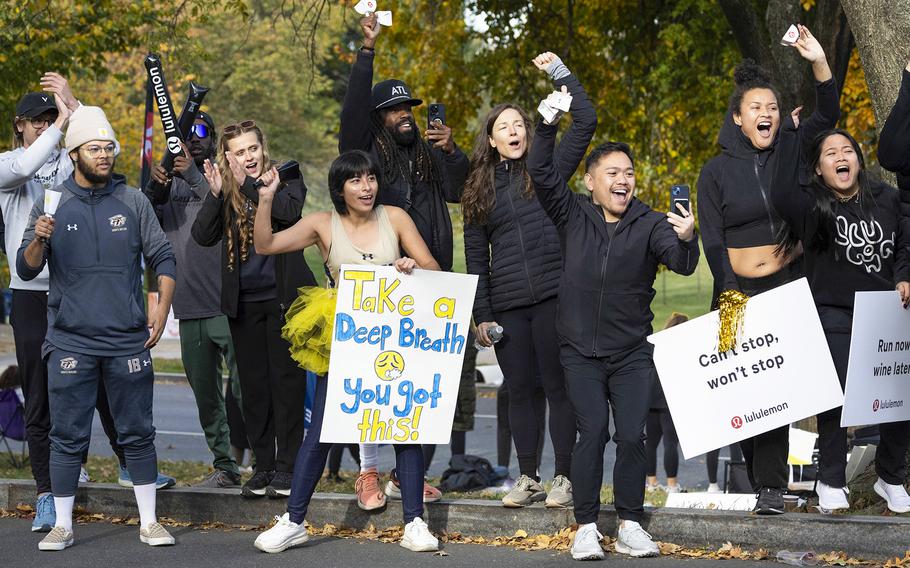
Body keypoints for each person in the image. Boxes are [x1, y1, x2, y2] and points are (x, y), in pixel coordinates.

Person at [528, 85, 699, 558]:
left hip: (630, 352)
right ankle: (585, 525)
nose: (623, 180)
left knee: (630, 434)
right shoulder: (572, 214)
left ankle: (629, 522)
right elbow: (541, 173)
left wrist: (688, 236)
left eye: (629, 173)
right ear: (590, 181)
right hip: (579, 349)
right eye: (612, 173)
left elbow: (683, 264)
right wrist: (545, 126)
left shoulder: (650, 223)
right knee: (593, 433)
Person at [249, 150, 442, 554]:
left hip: (394, 339)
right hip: (346, 340)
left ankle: (414, 523)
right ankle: (294, 520)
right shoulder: (323, 223)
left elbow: (435, 271)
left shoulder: (397, 218)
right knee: (319, 433)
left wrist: (412, 268)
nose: (366, 187)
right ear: (340, 188)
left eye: (370, 178)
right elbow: (265, 245)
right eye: (356, 180)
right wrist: (266, 198)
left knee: (405, 430)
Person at [18, 104, 178, 551]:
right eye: (95, 148)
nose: (105, 155)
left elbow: (163, 256)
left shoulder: (133, 201)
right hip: (70, 339)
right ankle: (63, 526)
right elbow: (26, 270)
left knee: (137, 432)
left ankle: (149, 523)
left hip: (127, 339)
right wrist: (39, 240)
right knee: (67, 436)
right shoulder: (51, 201)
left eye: (109, 147)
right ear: (74, 153)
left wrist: (162, 309)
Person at [697, 25, 839, 514]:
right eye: (756, 108)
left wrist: (817, 60)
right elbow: (712, 238)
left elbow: (830, 112)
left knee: (774, 387)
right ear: (738, 118)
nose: (767, 114)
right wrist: (730, 289)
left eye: (773, 108)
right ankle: (761, 480)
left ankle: (772, 488)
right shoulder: (713, 172)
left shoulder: (792, 152)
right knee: (738, 392)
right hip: (734, 291)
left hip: (786, 285)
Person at [339, 12, 469, 508]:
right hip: (386, 279)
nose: (405, 114)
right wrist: (366, 52)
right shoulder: (369, 154)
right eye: (394, 110)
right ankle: (369, 472)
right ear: (379, 119)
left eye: (408, 107)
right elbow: (352, 112)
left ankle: (405, 474)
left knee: (427, 382)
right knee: (378, 379)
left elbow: (461, 191)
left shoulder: (431, 153)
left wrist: (452, 149)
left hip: (432, 278)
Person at [463, 51, 590, 509]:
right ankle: (529, 477)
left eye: (520, 123)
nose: (515, 131)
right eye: (505, 127)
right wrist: (483, 315)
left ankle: (564, 478)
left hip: (558, 295)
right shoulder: (478, 189)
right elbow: (476, 257)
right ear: (492, 141)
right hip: (509, 306)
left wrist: (561, 73)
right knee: (521, 390)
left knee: (558, 388)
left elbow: (587, 121)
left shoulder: (548, 167)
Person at [772, 119, 910, 514]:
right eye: (830, 154)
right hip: (833, 311)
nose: (841, 157)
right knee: (838, 393)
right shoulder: (813, 206)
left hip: (887, 310)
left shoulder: (886, 198)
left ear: (860, 161)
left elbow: (905, 245)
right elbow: (782, 192)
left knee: (898, 396)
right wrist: (794, 137)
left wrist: (903, 276)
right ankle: (832, 479)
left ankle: (890, 476)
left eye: (847, 151)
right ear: (819, 169)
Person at [191, 120, 314, 499]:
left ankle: (288, 467)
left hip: (282, 299)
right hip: (243, 303)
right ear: (229, 156)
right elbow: (202, 236)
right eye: (240, 153)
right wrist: (215, 195)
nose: (249, 157)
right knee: (255, 388)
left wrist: (244, 182)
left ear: (264, 147)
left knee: (286, 385)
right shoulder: (226, 190)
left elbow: (287, 213)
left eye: (253, 149)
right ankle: (262, 466)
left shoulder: (287, 176)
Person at [144, 111, 243, 488]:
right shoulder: (168, 183)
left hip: (228, 305)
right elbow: (142, 216)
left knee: (245, 391)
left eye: (201, 131)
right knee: (206, 398)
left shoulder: (227, 176)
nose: (192, 138)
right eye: (186, 133)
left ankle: (268, 461)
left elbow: (228, 212)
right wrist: (155, 185)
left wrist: (192, 174)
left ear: (213, 138)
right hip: (189, 307)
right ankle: (226, 466)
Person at [645, 313, 686, 494]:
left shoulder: (656, 344)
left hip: (650, 399)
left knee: (650, 444)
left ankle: (651, 483)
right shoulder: (683, 349)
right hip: (670, 402)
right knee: (670, 444)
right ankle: (672, 485)